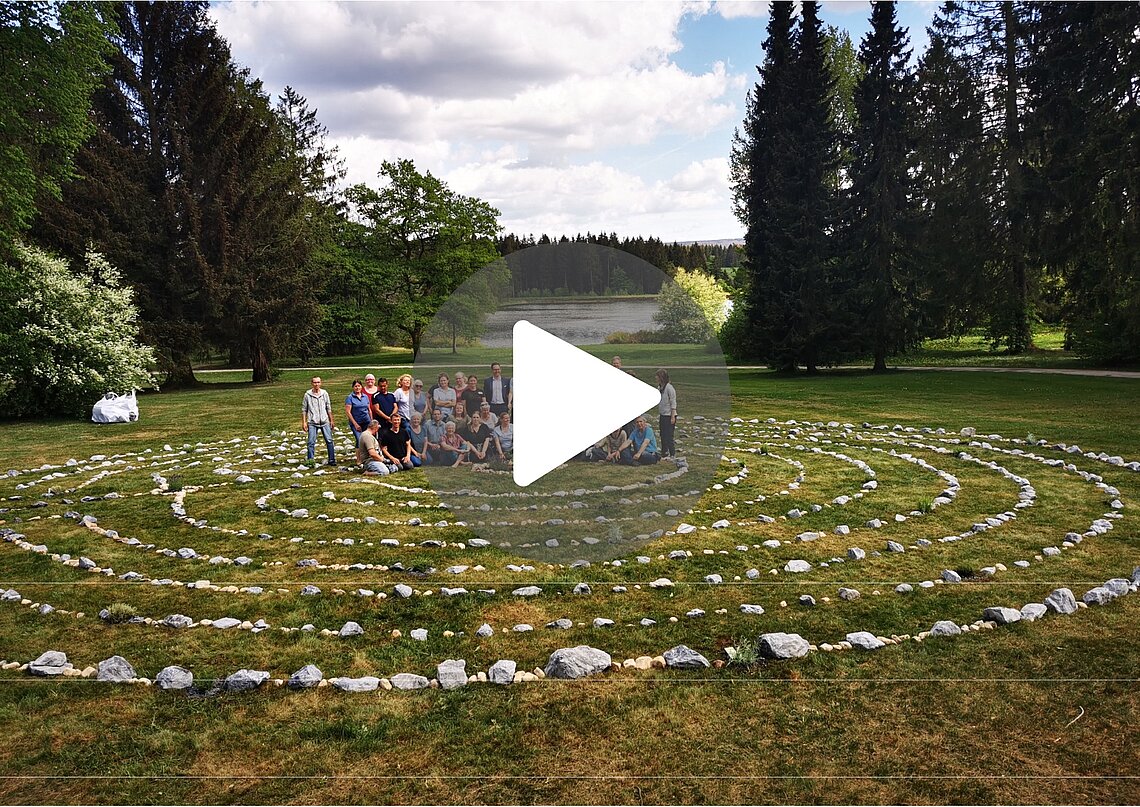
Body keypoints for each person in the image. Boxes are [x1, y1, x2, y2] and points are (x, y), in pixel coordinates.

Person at [301, 376, 336, 466]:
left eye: (318, 382)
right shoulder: (307, 395)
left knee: (329, 440)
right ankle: (310, 461)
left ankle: (332, 460)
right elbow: (304, 409)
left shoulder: (324, 393)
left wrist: (331, 420)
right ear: (312, 383)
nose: (316, 384)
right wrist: (304, 422)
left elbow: (328, 407)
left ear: (321, 383)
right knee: (311, 442)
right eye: (315, 382)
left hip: (324, 421)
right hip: (312, 422)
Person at [656, 368, 677, 458]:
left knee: (669, 435)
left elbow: (673, 402)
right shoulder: (660, 387)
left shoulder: (669, 388)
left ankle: (672, 453)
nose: (656, 378)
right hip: (663, 414)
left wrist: (673, 416)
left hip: (669, 415)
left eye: (657, 376)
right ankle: (664, 451)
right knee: (662, 434)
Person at [344, 379, 372, 444]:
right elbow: (348, 412)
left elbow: (369, 409)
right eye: (355, 386)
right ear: (353, 387)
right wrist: (355, 424)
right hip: (356, 422)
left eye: (359, 386)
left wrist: (371, 420)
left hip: (366, 421)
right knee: (359, 439)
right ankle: (359, 454)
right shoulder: (350, 398)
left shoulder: (365, 396)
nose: (357, 388)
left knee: (366, 440)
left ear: (361, 387)